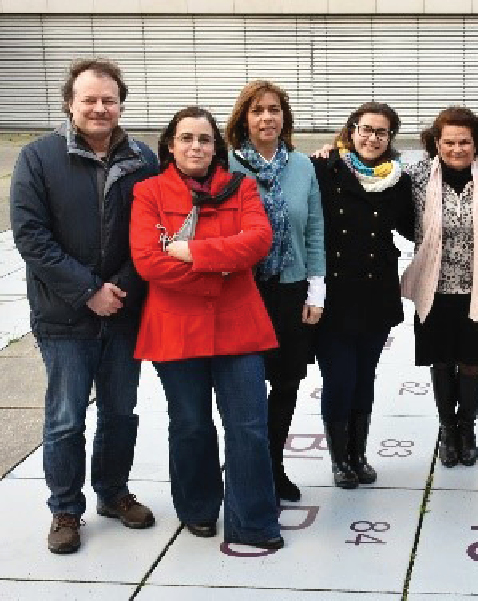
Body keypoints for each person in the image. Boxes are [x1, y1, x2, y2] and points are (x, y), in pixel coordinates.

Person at [11, 58, 158, 554]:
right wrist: (87, 290)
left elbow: (154, 236)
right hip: (63, 316)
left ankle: (113, 493)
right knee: (66, 417)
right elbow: (32, 238)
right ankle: (65, 509)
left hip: (124, 312)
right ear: (70, 103)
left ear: (121, 104)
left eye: (109, 100)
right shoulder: (38, 157)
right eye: (89, 99)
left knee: (120, 412)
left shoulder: (143, 159)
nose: (100, 108)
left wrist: (118, 289)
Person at [130, 106, 283, 549]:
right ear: (171, 146)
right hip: (175, 328)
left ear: (217, 148)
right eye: (186, 138)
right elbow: (148, 260)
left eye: (205, 139)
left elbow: (257, 241)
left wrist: (192, 253)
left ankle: (253, 521)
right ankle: (197, 508)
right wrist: (223, 267)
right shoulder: (149, 192)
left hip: (239, 327)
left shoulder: (242, 187)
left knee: (249, 425)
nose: (196, 146)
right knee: (191, 425)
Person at [225, 81, 326, 502]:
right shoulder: (227, 167)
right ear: (243, 118)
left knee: (285, 384)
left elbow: (316, 227)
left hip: (290, 290)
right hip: (243, 292)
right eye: (257, 110)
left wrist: (316, 287)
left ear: (285, 117)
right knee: (244, 386)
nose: (267, 118)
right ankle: (241, 466)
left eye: (274, 109)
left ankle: (272, 464)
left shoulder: (302, 166)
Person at [401, 106, 478, 469]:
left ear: (477, 143)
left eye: (465, 141)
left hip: (477, 287)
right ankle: (448, 429)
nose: (457, 148)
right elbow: (372, 176)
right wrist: (332, 152)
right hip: (434, 288)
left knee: (471, 361)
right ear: (437, 142)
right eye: (449, 142)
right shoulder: (416, 177)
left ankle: (467, 429)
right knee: (441, 359)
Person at [311, 102, 414, 489]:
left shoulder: (397, 179)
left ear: (390, 139)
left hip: (376, 293)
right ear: (351, 130)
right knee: (339, 378)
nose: (373, 138)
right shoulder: (324, 168)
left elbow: (414, 226)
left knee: (364, 378)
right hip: (334, 295)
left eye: (381, 132)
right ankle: (340, 460)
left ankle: (358, 454)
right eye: (366, 129)